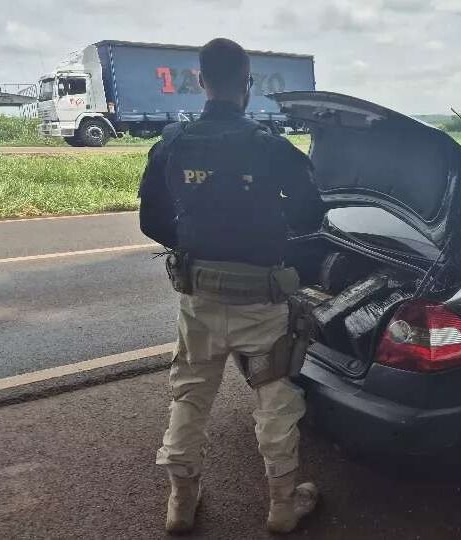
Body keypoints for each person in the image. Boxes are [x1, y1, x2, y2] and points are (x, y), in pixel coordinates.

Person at [138, 37, 325, 534]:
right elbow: (311, 215)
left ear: (201, 81)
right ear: (248, 84)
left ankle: (181, 505)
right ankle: (283, 508)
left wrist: (199, 244)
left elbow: (151, 220)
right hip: (261, 302)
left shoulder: (172, 144)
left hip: (198, 299)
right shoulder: (270, 147)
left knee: (190, 396)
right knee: (274, 399)